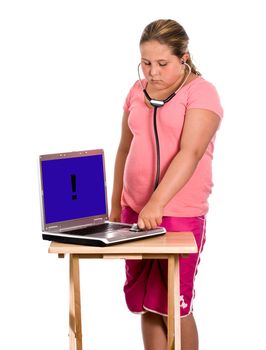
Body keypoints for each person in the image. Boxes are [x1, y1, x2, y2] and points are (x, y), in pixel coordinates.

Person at [110, 19, 223, 350]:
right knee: (148, 301)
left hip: (178, 214)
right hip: (134, 212)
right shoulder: (136, 91)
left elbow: (191, 152)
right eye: (146, 63)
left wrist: (156, 203)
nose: (152, 72)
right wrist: (116, 203)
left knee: (175, 304)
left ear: (183, 58)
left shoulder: (202, 92)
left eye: (162, 63)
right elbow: (124, 148)